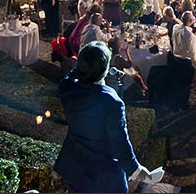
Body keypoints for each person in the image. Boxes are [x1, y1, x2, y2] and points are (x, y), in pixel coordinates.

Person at [53, 41, 150, 193]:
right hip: (104, 177)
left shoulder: (67, 88)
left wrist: (80, 67)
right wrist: (135, 170)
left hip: (76, 169)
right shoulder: (111, 101)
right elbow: (120, 143)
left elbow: (69, 77)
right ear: (104, 70)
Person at [170, 11, 196, 111]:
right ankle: (184, 105)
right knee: (185, 85)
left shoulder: (176, 28)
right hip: (185, 63)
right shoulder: (191, 36)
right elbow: (193, 54)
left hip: (175, 59)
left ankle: (175, 104)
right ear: (191, 21)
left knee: (177, 83)